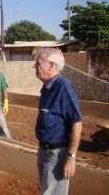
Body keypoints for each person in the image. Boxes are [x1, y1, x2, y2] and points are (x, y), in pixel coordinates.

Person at [33, 48, 82, 195]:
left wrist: (71, 158)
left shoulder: (63, 88)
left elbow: (77, 123)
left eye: (38, 63)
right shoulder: (48, 87)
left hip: (57, 154)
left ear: (51, 65)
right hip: (44, 151)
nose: (34, 66)